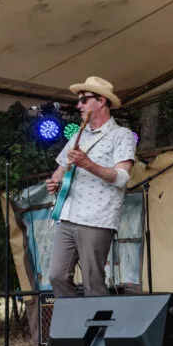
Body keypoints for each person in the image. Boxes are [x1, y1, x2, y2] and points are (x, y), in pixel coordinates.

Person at [46, 76, 137, 298]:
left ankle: (100, 331)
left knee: (93, 282)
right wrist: (55, 180)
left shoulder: (121, 135)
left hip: (97, 218)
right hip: (68, 215)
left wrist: (88, 164)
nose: (79, 105)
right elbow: (61, 167)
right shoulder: (78, 134)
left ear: (101, 101)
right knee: (56, 276)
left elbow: (122, 177)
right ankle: (79, 326)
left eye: (84, 100)